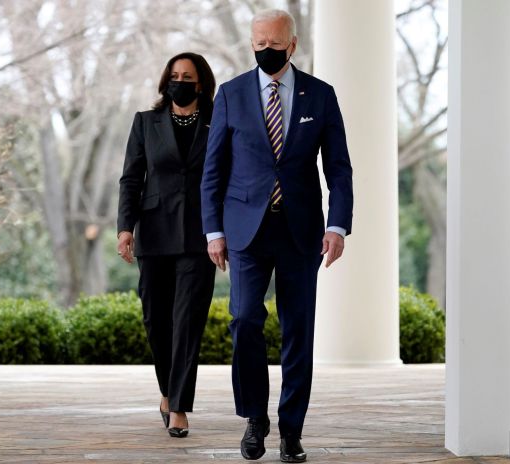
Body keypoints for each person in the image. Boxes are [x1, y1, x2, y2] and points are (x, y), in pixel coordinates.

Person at [201, 9, 353, 463]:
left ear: (293, 43)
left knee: (298, 331)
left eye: (274, 43)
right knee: (245, 320)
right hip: (244, 230)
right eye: (258, 43)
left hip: (301, 231)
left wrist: (337, 224)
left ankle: (291, 430)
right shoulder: (230, 95)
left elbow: (339, 168)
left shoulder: (320, 96)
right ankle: (254, 420)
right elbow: (213, 171)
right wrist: (213, 230)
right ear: (251, 43)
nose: (266, 50)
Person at [117, 52, 217, 439]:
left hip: (200, 237)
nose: (180, 82)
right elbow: (131, 179)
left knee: (188, 323)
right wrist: (126, 228)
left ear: (201, 84)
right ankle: (167, 392)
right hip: (155, 233)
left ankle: (178, 407)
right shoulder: (146, 122)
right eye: (175, 76)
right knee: (156, 321)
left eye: (188, 77)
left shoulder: (217, 122)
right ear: (165, 81)